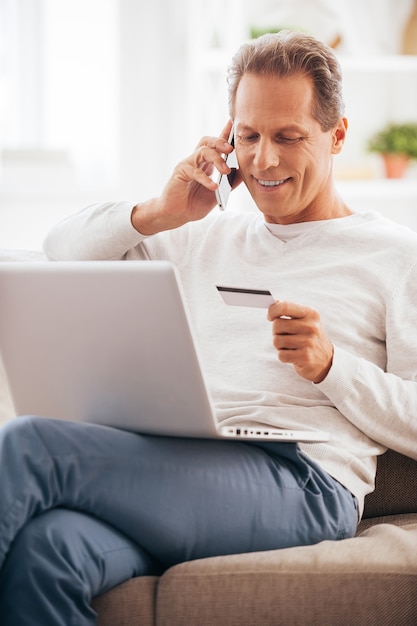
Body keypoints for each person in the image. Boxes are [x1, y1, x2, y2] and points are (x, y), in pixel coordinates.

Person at [1, 30, 417, 625]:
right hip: (189, 467)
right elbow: (59, 247)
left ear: (338, 135)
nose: (264, 159)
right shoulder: (199, 235)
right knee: (49, 551)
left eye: (288, 137)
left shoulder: (396, 255)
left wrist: (332, 367)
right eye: (248, 136)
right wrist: (161, 212)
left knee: (31, 444)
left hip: (303, 483)